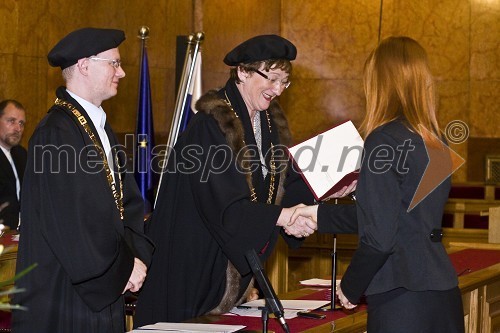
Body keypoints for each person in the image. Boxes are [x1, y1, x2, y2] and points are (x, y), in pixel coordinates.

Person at [134, 34, 356, 326]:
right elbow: (227, 207)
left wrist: (321, 192)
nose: (277, 89)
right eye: (272, 78)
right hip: (192, 266)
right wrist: (287, 216)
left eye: (284, 82)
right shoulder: (210, 127)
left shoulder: (266, 124)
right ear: (243, 72)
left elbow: (274, 193)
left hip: (226, 270)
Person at [290, 36, 465, 332]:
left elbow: (381, 237)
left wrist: (351, 285)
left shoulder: (383, 140)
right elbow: (403, 219)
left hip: (402, 301)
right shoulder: (435, 141)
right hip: (441, 292)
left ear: (380, 83)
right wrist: (320, 213)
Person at [12, 27, 154, 333]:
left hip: (104, 286)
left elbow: (125, 204)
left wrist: (135, 258)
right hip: (66, 295)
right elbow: (72, 222)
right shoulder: (56, 133)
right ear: (85, 65)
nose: (123, 72)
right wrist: (122, 268)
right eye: (114, 63)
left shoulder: (99, 128)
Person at [0, 99, 27, 230]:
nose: (18, 128)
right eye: (11, 121)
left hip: (22, 232)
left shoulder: (21, 154)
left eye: (21, 123)